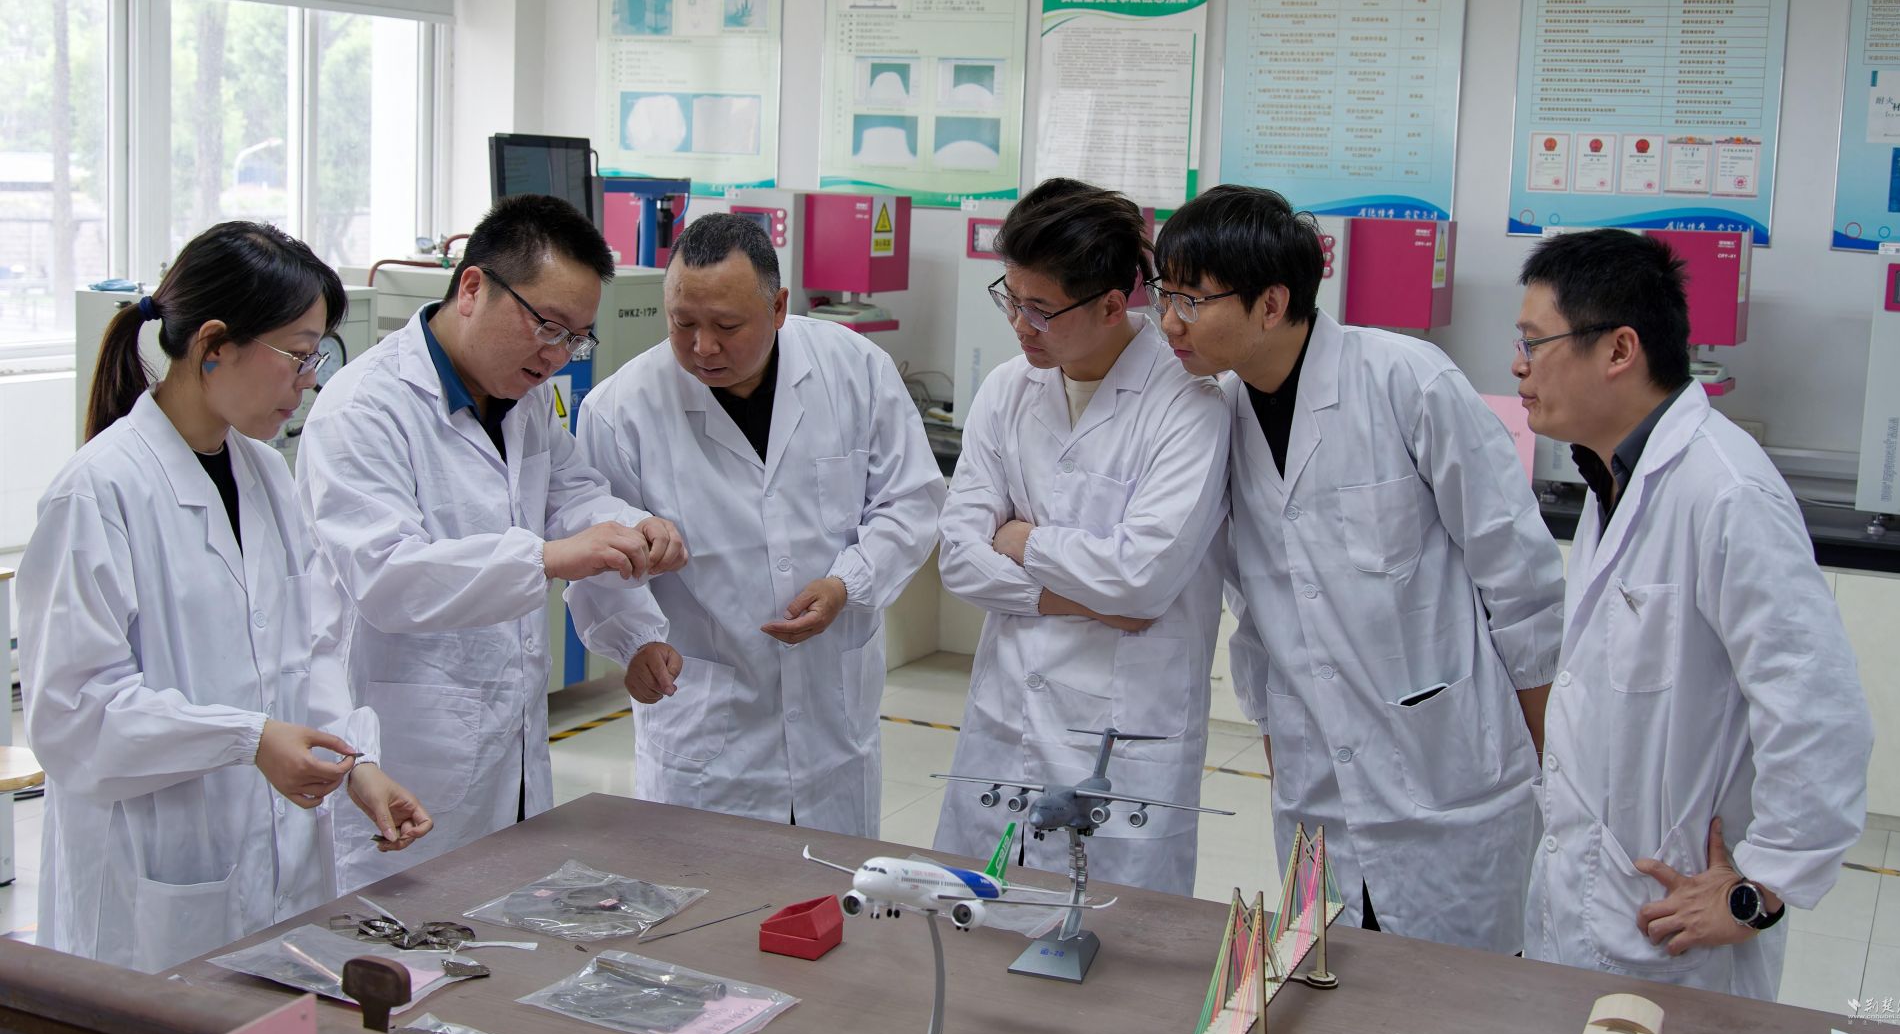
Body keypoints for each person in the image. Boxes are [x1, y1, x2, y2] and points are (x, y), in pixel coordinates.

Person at [1151, 185, 1563, 950]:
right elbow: (1256, 612)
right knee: (1334, 976)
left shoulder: (1407, 381)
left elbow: (1521, 581)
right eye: (1162, 293)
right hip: (1316, 782)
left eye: (1190, 299)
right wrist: (1280, 752)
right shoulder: (1217, 415)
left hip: (1449, 771)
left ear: (1271, 304)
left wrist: (1553, 769)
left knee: (1467, 986)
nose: (1169, 321)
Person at [17, 222, 431, 971]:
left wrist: (354, 761)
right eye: (299, 355)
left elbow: (311, 648)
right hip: (154, 874)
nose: (310, 381)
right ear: (214, 345)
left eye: (318, 357)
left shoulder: (266, 474)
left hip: (279, 863)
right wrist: (248, 738)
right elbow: (74, 718)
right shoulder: (99, 494)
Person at [1514, 227, 1870, 999]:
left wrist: (1761, 889)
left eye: (1535, 342)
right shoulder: (1615, 480)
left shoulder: (1726, 491)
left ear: (1619, 350)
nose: (1519, 365)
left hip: (1675, 931)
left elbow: (1820, 712)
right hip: (1594, 907)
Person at [298, 195, 685, 888]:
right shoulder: (365, 409)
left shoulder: (522, 401)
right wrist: (547, 558)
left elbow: (573, 495)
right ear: (473, 288)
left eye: (576, 338)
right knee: (402, 935)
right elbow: (387, 577)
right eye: (547, 326)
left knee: (504, 922)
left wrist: (634, 529)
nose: (557, 355)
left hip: (510, 755)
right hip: (410, 756)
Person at [569, 213, 943, 836]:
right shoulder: (620, 410)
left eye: (726, 326)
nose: (702, 348)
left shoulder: (854, 369)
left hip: (832, 722)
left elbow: (912, 501)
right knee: (704, 888)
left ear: (778, 307)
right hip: (707, 735)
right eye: (682, 323)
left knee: (829, 886)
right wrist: (633, 644)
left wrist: (847, 583)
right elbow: (600, 559)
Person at [932, 179, 1229, 898]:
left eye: (1041, 309)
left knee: (1115, 933)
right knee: (977, 921)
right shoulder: (1007, 390)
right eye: (1010, 299)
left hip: (1121, 733)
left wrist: (1022, 540)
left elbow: (1140, 579)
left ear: (1111, 305)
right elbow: (959, 561)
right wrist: (1081, 600)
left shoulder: (1190, 405)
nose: (1020, 324)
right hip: (1005, 716)